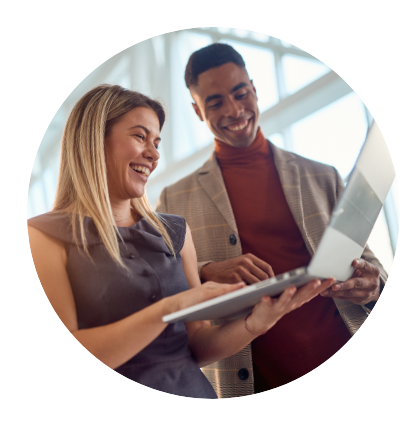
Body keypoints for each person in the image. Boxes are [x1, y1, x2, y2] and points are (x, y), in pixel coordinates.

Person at [27, 84, 334, 399]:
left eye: (157, 141)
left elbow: (196, 346)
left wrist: (255, 324)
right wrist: (172, 307)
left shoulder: (174, 232)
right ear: (94, 141)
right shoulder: (44, 237)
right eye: (139, 136)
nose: (154, 153)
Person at [156, 43, 388, 398]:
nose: (234, 110)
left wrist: (374, 285)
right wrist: (206, 270)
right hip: (255, 381)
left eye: (240, 93)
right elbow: (164, 289)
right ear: (197, 111)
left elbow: (367, 261)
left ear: (254, 89)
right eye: (215, 102)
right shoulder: (175, 198)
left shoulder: (322, 176)